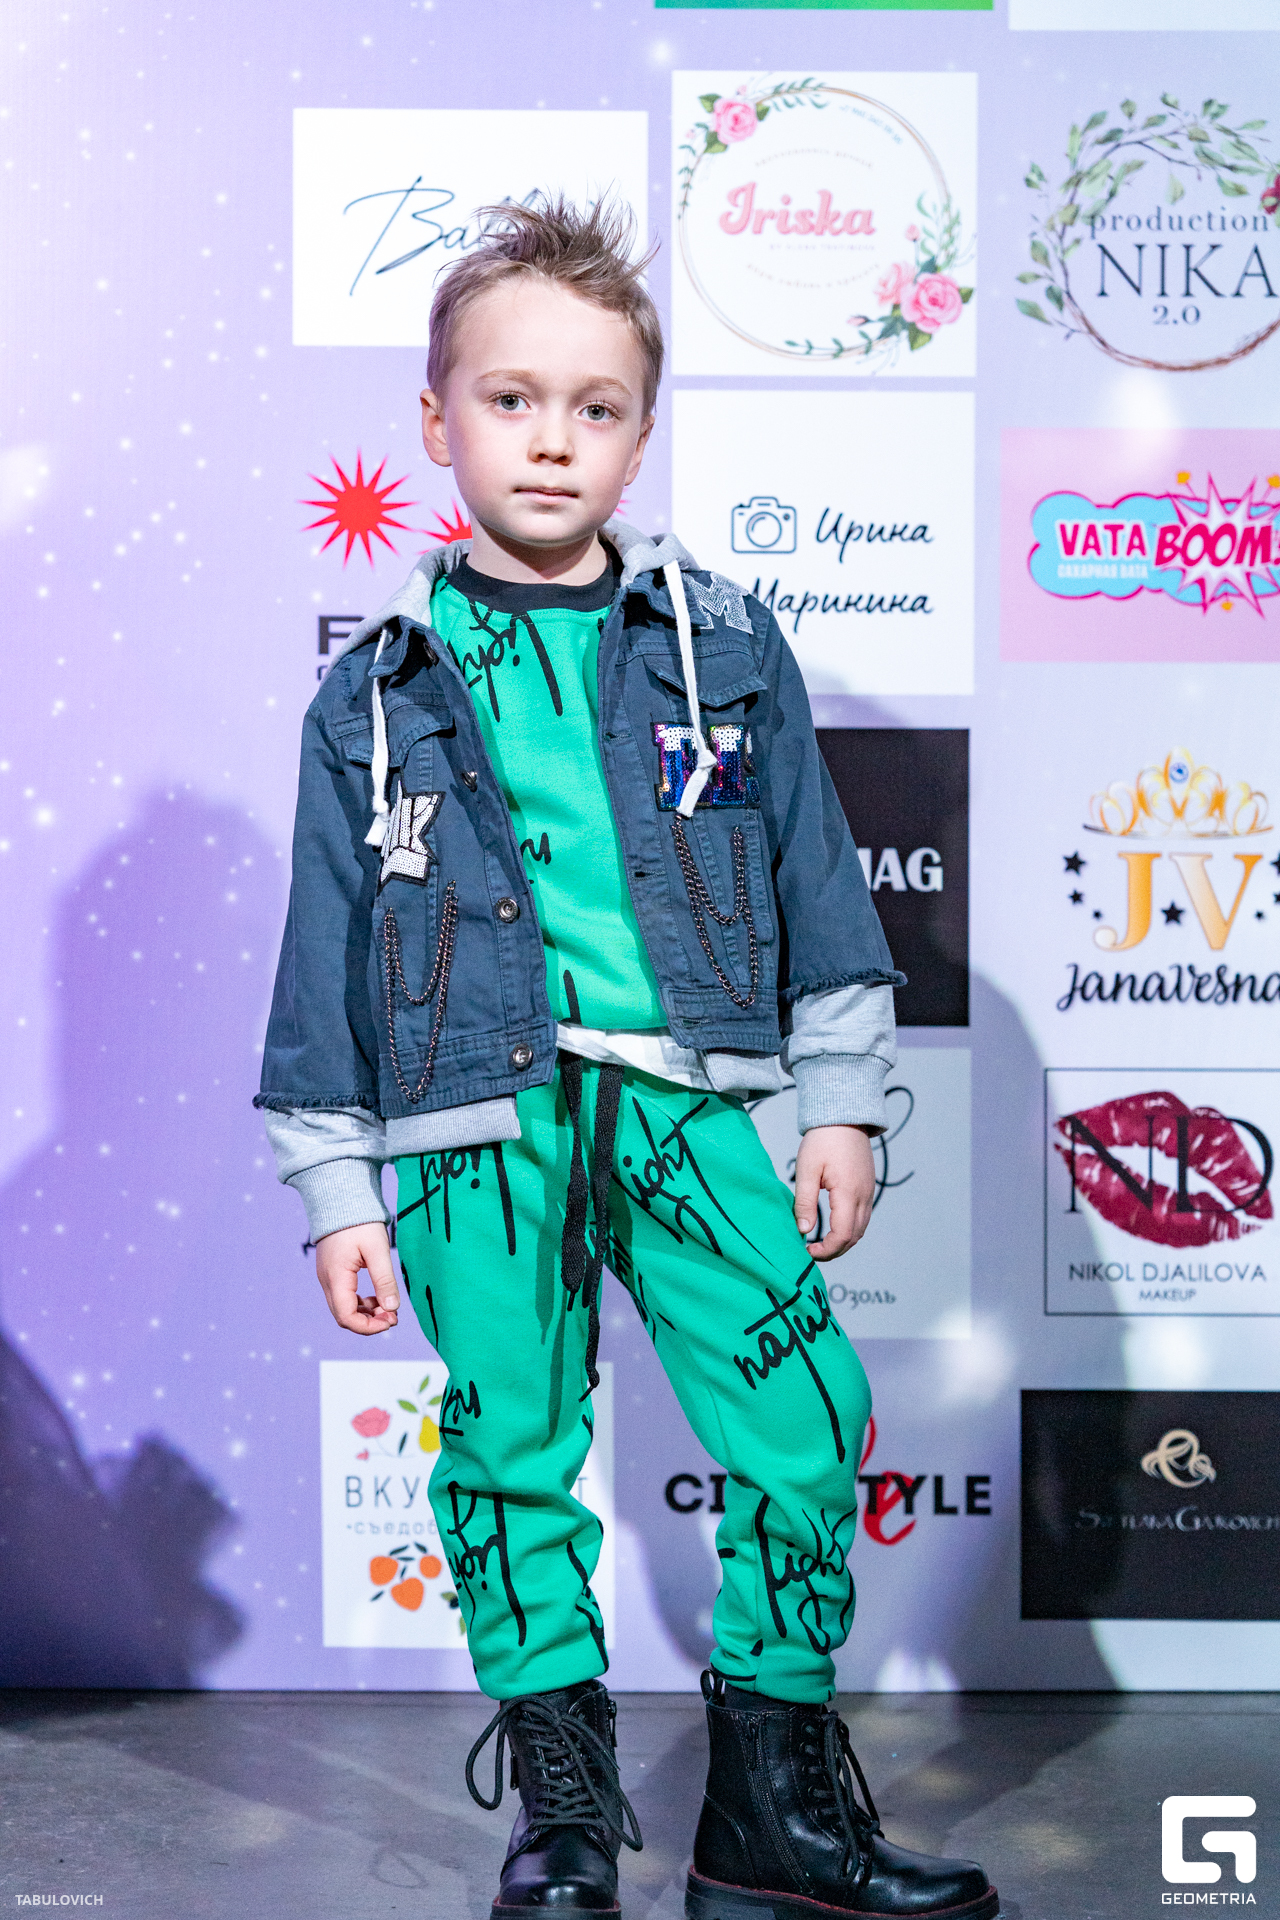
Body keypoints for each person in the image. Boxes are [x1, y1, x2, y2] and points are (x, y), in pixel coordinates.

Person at [256, 197, 997, 1920]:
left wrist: (841, 1105)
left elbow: (820, 887)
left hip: (685, 1099)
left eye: (595, 407)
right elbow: (323, 961)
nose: (551, 439)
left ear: (641, 434)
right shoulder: (372, 696)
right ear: (435, 420)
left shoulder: (718, 644)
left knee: (807, 1416)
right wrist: (336, 1188)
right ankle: (566, 1816)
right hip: (476, 1126)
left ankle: (772, 1807)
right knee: (508, 1446)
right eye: (510, 399)